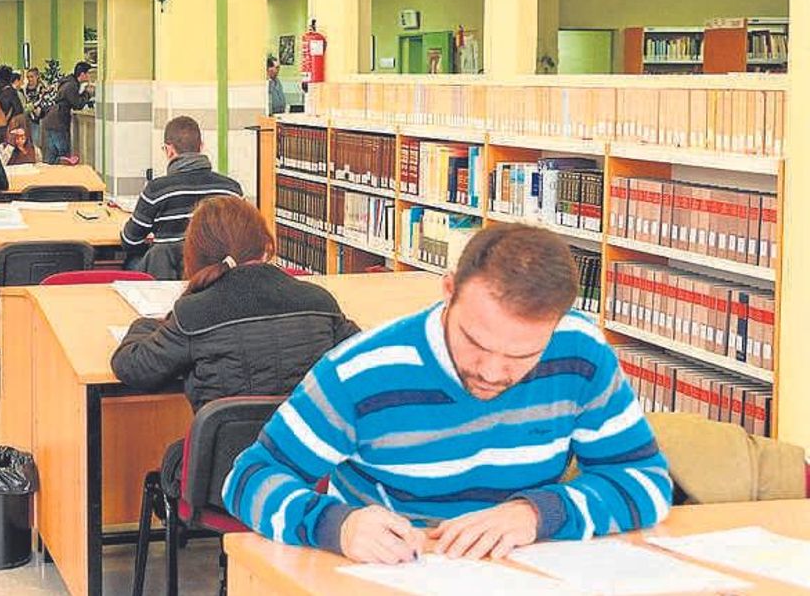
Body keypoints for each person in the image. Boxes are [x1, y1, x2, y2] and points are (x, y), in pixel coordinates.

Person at [223, 224, 672, 565]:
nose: (493, 372)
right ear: (448, 290)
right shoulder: (361, 371)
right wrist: (337, 526)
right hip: (395, 573)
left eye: (522, 356)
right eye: (475, 342)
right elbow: (248, 479)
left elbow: (645, 481)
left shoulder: (580, 353)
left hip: (521, 571)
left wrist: (537, 514)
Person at [112, 196, 359, 494]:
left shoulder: (194, 313)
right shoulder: (319, 302)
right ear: (266, 245)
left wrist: (144, 326)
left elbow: (134, 368)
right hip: (310, 474)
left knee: (174, 457)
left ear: (194, 254)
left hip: (223, 481)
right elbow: (361, 358)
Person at [121, 116, 242, 261]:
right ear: (201, 147)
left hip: (165, 272)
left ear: (169, 150)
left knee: (132, 261)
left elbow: (130, 241)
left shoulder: (156, 191)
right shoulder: (232, 190)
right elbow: (243, 240)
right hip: (217, 272)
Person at [41, 61, 93, 162]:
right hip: (59, 122)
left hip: (51, 120)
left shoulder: (67, 82)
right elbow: (77, 104)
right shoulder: (71, 85)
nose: (90, 77)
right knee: (62, 155)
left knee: (51, 156)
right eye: (88, 73)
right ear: (82, 74)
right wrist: (87, 93)